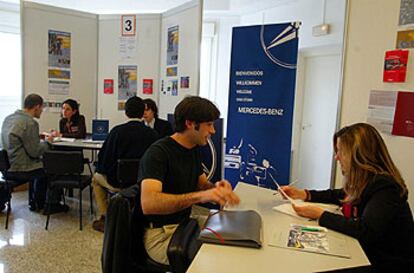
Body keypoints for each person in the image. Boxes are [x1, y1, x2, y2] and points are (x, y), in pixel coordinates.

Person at [281, 123, 414, 272]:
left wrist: (320, 214)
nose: (337, 157)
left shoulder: (386, 187)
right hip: (368, 253)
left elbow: (366, 230)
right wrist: (304, 194)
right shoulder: (367, 181)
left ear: (360, 155)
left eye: (341, 152)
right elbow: (341, 195)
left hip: (388, 263)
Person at [139, 96, 240, 265]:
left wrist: (216, 188)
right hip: (161, 235)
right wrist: (201, 197)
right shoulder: (158, 153)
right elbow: (149, 204)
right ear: (191, 124)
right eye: (209, 124)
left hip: (184, 224)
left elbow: (201, 185)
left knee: (235, 236)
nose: (213, 131)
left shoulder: (192, 149)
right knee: (220, 259)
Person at [92, 96, 158, 232]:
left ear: (126, 112)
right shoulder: (153, 134)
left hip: (118, 183)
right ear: (142, 112)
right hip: (144, 184)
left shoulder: (116, 132)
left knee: (95, 179)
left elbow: (104, 162)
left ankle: (106, 218)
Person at [1, 93, 68, 213]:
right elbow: (35, 152)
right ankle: (49, 205)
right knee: (54, 169)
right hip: (21, 169)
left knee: (41, 167)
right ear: (37, 107)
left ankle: (35, 202)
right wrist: (48, 142)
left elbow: (19, 140)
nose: (42, 111)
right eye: (42, 108)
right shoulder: (30, 123)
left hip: (7, 168)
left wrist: (37, 137)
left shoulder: (9, 118)